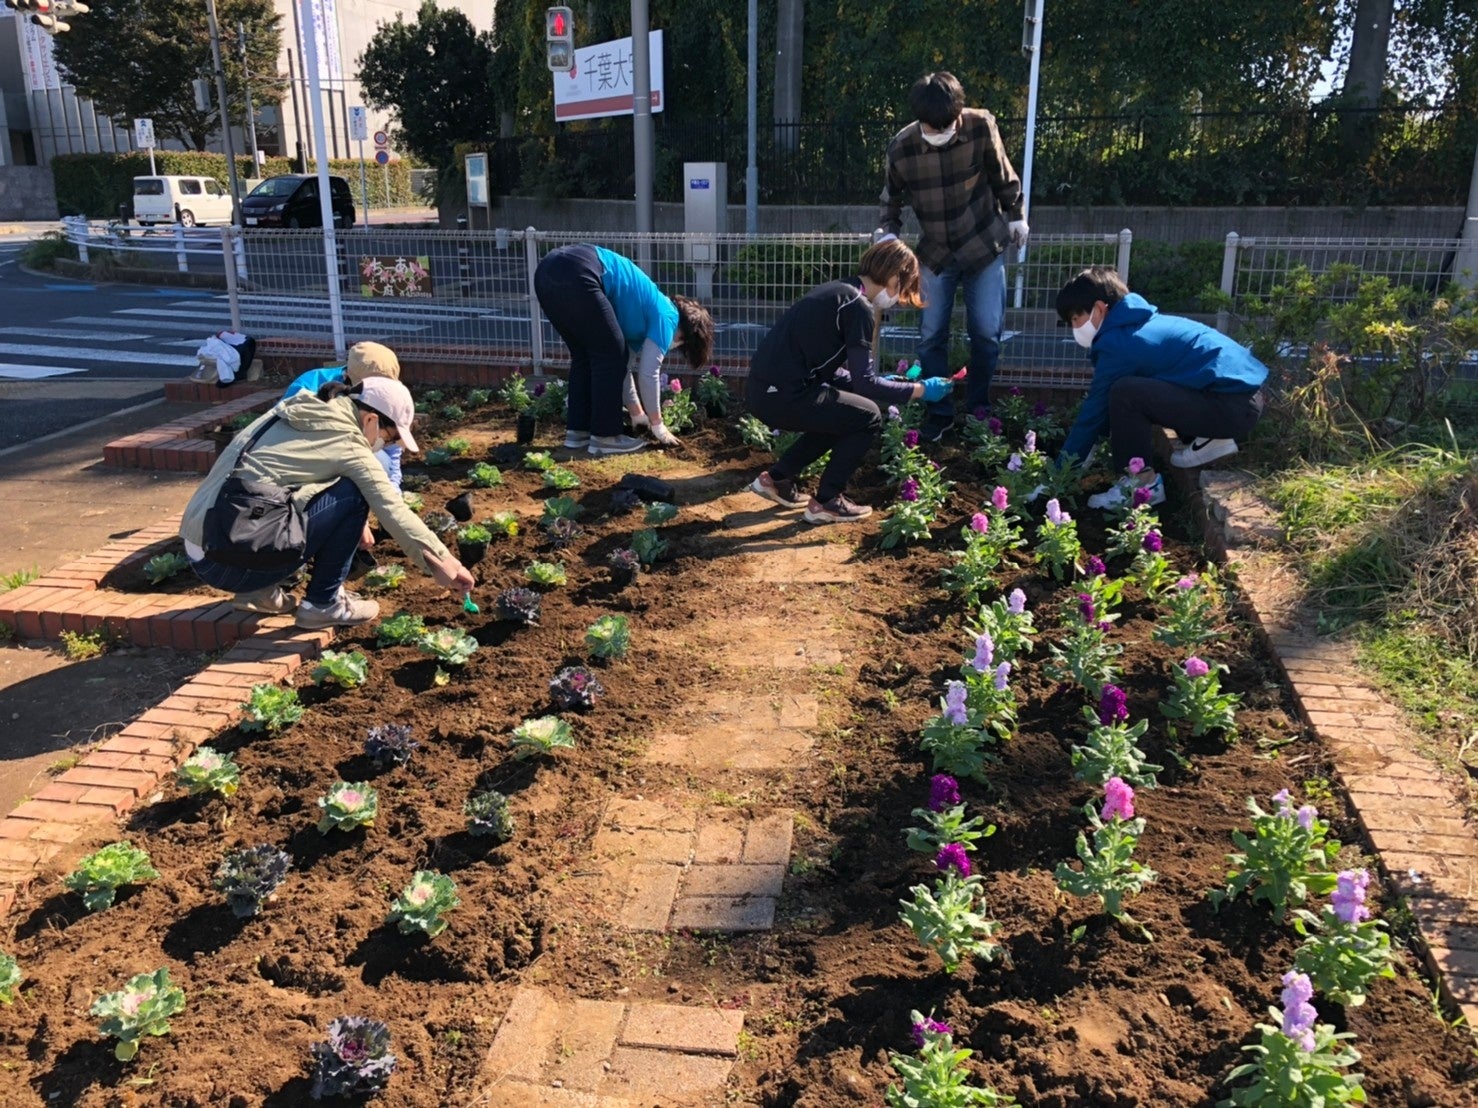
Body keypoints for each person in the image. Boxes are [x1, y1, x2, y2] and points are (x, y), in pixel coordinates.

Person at [179, 376, 476, 629]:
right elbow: (393, 511)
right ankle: (323, 603)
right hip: (229, 562)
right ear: (371, 419)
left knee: (298, 495)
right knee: (354, 494)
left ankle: (259, 592)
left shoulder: (296, 410)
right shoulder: (349, 443)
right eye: (391, 436)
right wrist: (447, 564)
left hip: (203, 547)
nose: (389, 444)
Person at [745, 239, 954, 524]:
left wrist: (882, 381)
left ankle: (777, 479)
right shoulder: (859, 308)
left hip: (763, 390)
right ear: (894, 276)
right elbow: (866, 385)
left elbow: (836, 371)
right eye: (901, 290)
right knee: (867, 416)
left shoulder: (839, 291)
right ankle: (828, 500)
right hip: (783, 395)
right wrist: (921, 390)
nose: (898, 298)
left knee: (843, 413)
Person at [877, 71, 1027, 442]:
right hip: (936, 252)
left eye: (947, 125)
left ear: (959, 113)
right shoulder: (902, 147)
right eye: (932, 127)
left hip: (983, 246)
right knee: (930, 337)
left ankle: (978, 410)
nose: (941, 132)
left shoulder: (980, 126)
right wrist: (888, 230)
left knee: (986, 334)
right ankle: (939, 413)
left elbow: (1002, 174)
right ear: (919, 119)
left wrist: (1017, 215)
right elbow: (890, 198)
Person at [1055, 265, 1269, 510]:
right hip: (1239, 400)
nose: (1074, 328)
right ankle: (1209, 438)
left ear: (1100, 309)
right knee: (1144, 387)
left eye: (1075, 318)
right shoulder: (1140, 325)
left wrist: (1060, 473)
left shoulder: (1119, 343)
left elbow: (1095, 410)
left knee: (1126, 393)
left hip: (1231, 406)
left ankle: (1141, 485)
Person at [533, 244, 714, 455]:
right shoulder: (668, 316)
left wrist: (637, 414)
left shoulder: (638, 321)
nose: (673, 345)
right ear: (686, 334)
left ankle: (578, 433)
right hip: (580, 271)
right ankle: (605, 437)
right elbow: (648, 374)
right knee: (608, 356)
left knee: (585, 355)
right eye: (681, 343)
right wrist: (657, 424)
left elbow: (623, 369)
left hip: (546, 271)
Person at [282, 341, 406, 488]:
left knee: (383, 466)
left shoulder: (390, 396)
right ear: (347, 375)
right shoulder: (309, 386)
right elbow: (286, 436)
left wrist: (393, 484)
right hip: (305, 458)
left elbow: (393, 445)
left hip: (351, 451)